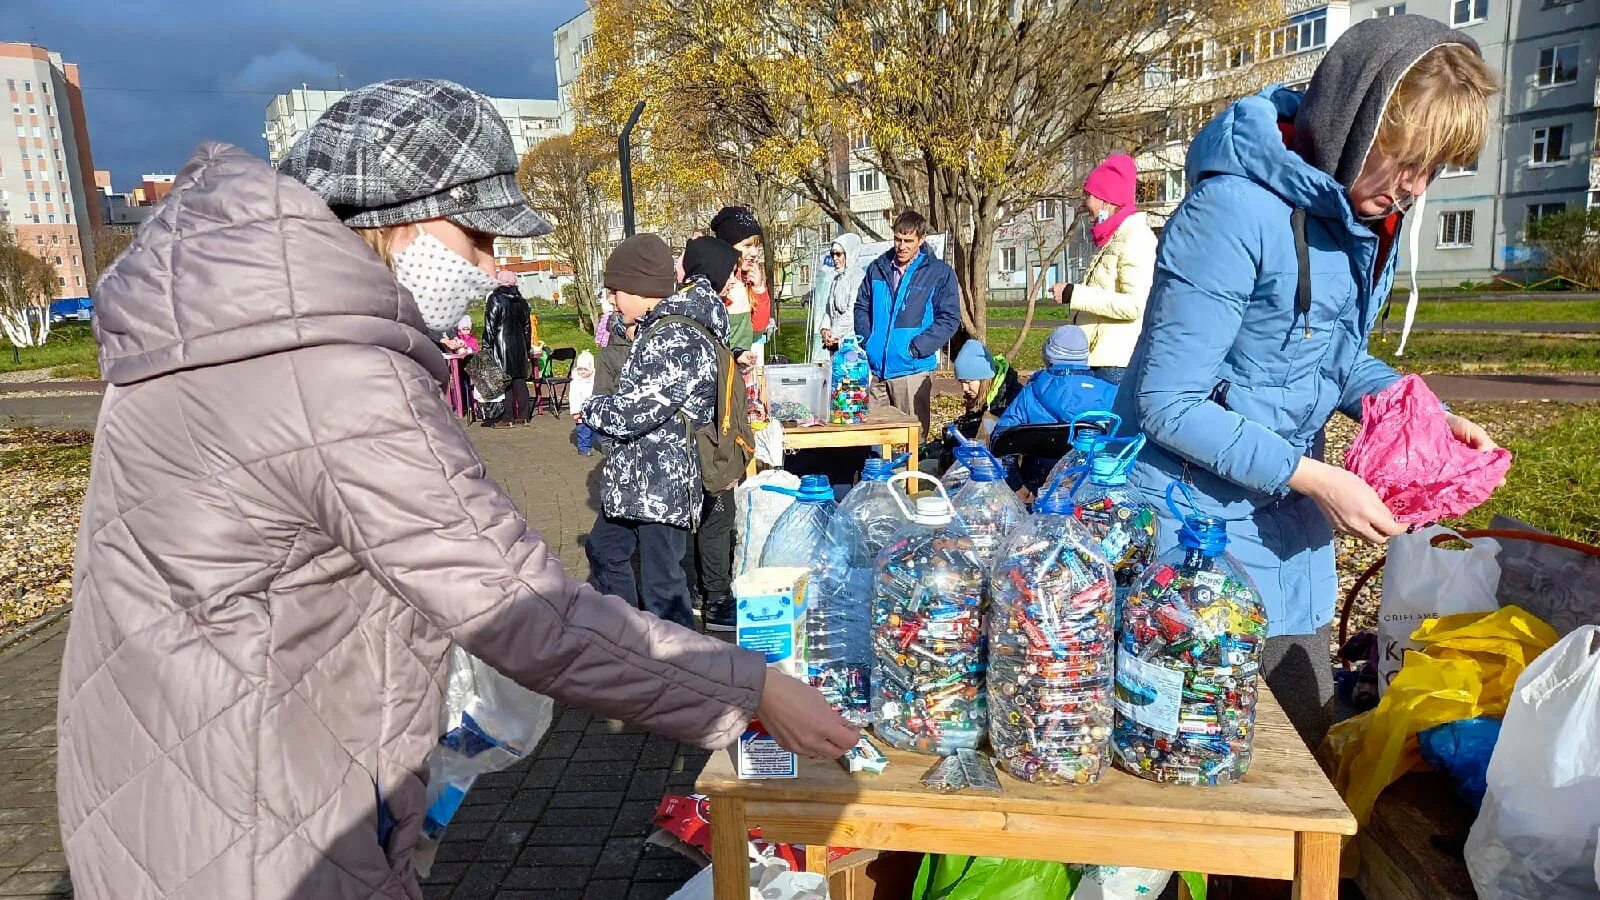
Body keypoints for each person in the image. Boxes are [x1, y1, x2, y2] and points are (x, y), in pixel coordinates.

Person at [58, 79, 856, 900]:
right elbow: (529, 611)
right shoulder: (336, 377)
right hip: (260, 830)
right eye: (476, 235)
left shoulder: (199, 332)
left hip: (151, 788)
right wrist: (750, 686)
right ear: (397, 221)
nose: (491, 265)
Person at [1113, 18, 1500, 747]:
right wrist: (1317, 478)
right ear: (1352, 120)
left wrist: (1416, 413)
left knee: (1302, 757)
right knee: (1192, 765)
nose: (1413, 189)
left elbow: (1326, 357)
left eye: (1433, 169)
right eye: (1404, 160)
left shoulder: (1356, 221)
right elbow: (1168, 403)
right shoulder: (1231, 211)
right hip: (1189, 539)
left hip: (1290, 535)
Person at [581, 233, 725, 632]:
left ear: (642, 288)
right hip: (638, 478)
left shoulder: (674, 336)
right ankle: (631, 642)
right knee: (605, 551)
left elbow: (635, 412)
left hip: (662, 482)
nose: (612, 301)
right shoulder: (658, 329)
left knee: (663, 585)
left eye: (616, 292)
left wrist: (591, 409)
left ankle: (685, 671)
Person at [677, 235, 745, 631]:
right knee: (716, 513)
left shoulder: (697, 305)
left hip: (706, 432)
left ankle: (706, 591)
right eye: (731, 273)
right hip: (702, 434)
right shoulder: (702, 309)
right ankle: (714, 597)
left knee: (707, 514)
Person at [1049, 154, 1157, 386]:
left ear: (1106, 200)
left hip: (1114, 365)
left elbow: (1135, 305)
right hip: (1098, 360)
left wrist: (1074, 294)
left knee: (1106, 423)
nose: (1085, 203)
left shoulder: (1135, 238)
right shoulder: (1112, 239)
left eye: (1089, 195)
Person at [854, 209, 962, 434]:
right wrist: (868, 340)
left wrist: (916, 348)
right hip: (877, 369)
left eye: (908, 241)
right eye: (897, 239)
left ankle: (910, 470)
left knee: (911, 439)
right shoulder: (878, 267)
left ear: (921, 240)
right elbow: (862, 305)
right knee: (875, 437)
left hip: (912, 370)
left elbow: (949, 318)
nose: (901, 246)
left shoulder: (938, 273)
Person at [992, 325, 1117, 437]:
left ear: (1048, 356)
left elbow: (1002, 437)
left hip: (1039, 460)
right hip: (1092, 460)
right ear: (1085, 355)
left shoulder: (1032, 391)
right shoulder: (1112, 393)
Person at [712, 205, 771, 362]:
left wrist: (759, 290)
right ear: (727, 247)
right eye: (747, 246)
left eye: (757, 246)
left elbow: (756, 332)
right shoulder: (717, 284)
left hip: (741, 370)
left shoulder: (746, 281)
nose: (755, 253)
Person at [484, 268, 533, 425]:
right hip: (519, 346)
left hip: (501, 346)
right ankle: (524, 416)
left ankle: (507, 417)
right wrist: (526, 346)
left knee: (505, 382)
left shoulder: (495, 299)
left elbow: (490, 326)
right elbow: (527, 327)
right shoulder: (522, 301)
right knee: (520, 380)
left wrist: (486, 346)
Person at [811, 233, 864, 363]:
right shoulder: (836, 279)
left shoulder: (858, 278)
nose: (835, 258)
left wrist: (833, 334)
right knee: (838, 379)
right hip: (836, 344)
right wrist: (825, 330)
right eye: (832, 254)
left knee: (852, 380)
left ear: (848, 254)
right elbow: (829, 309)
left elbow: (852, 313)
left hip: (853, 342)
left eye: (839, 254)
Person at [570, 349, 596, 455]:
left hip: (593, 410)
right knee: (583, 430)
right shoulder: (576, 382)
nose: (582, 372)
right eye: (580, 369)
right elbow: (573, 397)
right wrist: (575, 411)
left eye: (585, 369)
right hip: (580, 410)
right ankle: (584, 448)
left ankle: (597, 444)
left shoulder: (594, 381)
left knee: (595, 429)